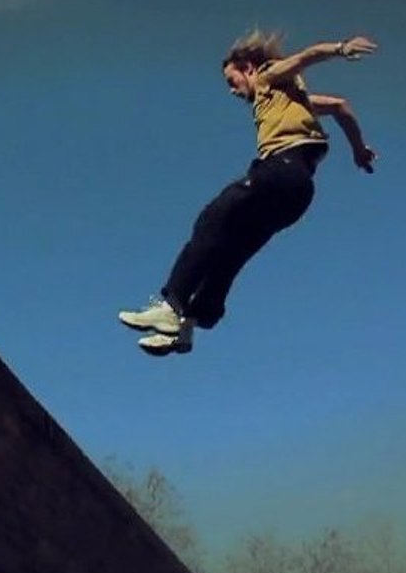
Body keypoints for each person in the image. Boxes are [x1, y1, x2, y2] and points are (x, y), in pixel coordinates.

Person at [119, 30, 378, 356]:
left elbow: (304, 58)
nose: (233, 91)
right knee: (232, 249)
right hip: (297, 193)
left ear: (249, 69)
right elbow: (340, 106)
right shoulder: (296, 100)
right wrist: (359, 150)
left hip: (279, 171)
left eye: (233, 81)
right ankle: (188, 324)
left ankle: (171, 305)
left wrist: (340, 48)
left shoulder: (268, 77)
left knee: (212, 218)